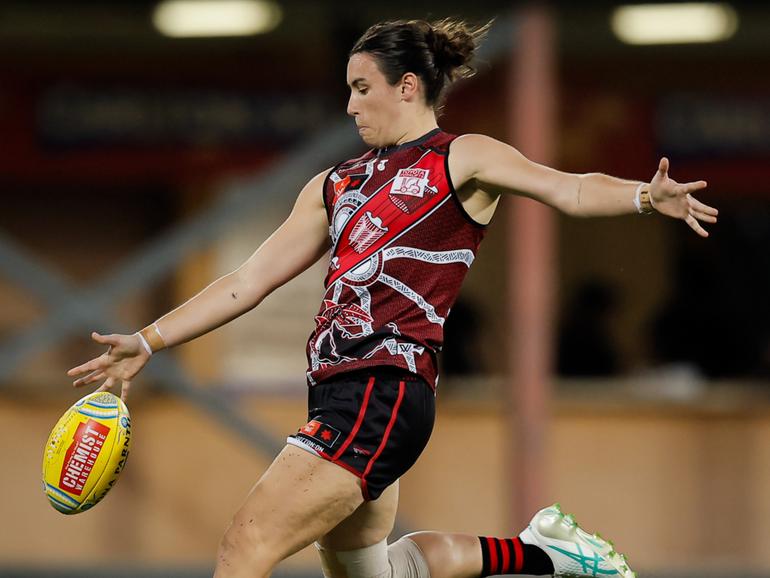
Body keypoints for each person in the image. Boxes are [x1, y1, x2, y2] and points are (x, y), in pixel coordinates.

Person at [67, 18, 717, 578]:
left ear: (407, 87)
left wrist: (643, 196)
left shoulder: (460, 159)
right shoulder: (334, 183)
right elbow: (248, 279)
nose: (350, 107)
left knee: (246, 544)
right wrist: (148, 340)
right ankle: (543, 552)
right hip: (337, 391)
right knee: (379, 571)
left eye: (361, 89)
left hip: (383, 387)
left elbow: (569, 190)